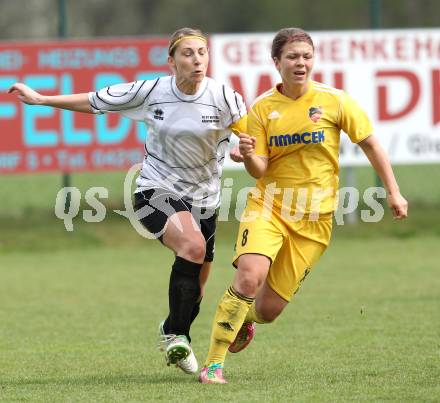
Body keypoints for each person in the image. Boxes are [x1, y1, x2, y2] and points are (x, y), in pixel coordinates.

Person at [8, 27, 247, 375]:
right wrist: (43, 100)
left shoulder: (226, 97)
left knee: (195, 287)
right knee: (193, 247)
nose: (197, 60)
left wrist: (243, 151)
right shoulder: (152, 91)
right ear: (171, 61)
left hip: (205, 199)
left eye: (202, 52)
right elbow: (94, 101)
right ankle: (177, 338)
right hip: (155, 190)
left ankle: (172, 328)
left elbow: (249, 139)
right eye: (187, 53)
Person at [199, 27, 408, 384]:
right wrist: (248, 156)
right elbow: (259, 169)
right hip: (269, 207)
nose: (301, 63)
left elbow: (371, 143)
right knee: (249, 277)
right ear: (276, 62)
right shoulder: (263, 109)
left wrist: (393, 191)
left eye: (306, 56)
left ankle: (244, 320)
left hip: (315, 220)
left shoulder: (335, 100)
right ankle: (213, 364)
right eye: (293, 57)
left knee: (267, 310)